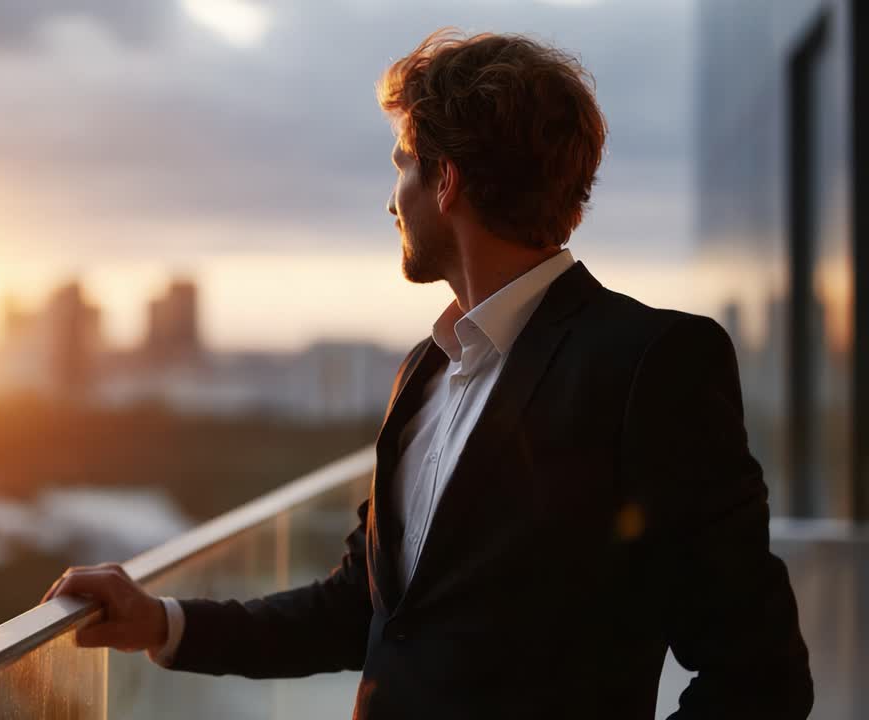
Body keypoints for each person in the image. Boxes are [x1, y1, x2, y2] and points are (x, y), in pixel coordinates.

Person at [43, 29, 813, 719]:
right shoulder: (424, 370)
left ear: (446, 181)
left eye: (403, 165)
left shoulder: (653, 364)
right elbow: (366, 610)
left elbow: (759, 678)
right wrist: (164, 622)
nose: (392, 199)